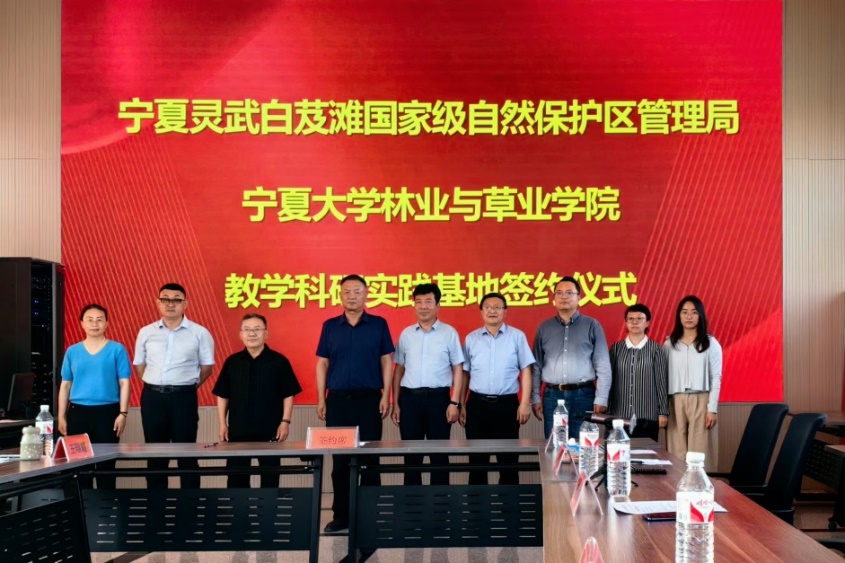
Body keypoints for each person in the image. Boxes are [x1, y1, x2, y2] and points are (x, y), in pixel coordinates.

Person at [316, 274, 394, 534]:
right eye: (347, 291)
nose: (352, 296)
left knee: (370, 460)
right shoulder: (330, 326)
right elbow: (323, 363)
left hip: (369, 400)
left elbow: (386, 361)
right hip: (337, 402)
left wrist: (386, 395)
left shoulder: (378, 324)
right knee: (340, 463)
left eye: (357, 291)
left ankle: (371, 516)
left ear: (366, 294)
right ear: (340, 295)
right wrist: (321, 398)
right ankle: (341, 516)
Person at [134, 283, 215, 489]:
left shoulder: (200, 333)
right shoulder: (146, 332)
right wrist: (157, 384)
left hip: (183, 398)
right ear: (158, 302)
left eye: (176, 299)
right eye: (165, 299)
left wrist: (185, 386)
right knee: (155, 455)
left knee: (186, 454)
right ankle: (157, 503)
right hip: (152, 398)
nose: (170, 304)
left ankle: (190, 503)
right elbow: (140, 367)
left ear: (185, 304)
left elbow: (207, 368)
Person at [213, 313, 301, 488]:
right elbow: (223, 395)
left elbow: (288, 394)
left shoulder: (279, 361)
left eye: (257, 329)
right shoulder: (232, 362)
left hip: (270, 429)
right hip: (238, 429)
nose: (252, 333)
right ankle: (239, 506)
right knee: (236, 477)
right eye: (247, 330)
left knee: (270, 477)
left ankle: (268, 506)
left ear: (266, 334)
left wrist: (285, 422)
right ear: (241, 334)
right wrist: (222, 424)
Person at [391, 283, 464, 486]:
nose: (423, 306)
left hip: (439, 400)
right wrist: (396, 403)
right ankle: (413, 500)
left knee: (439, 455)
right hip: (410, 400)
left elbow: (458, 369)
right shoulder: (406, 334)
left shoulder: (449, 333)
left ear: (438, 305)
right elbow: (398, 370)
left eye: (428, 301)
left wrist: (454, 402)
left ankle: (439, 501)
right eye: (419, 302)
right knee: (411, 455)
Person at [460, 292, 534, 485]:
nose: (492, 311)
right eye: (487, 307)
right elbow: (465, 374)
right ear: (481, 311)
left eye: (497, 307)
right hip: (477, 405)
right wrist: (461, 404)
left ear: (505, 311)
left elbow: (526, 370)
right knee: (477, 462)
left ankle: (509, 504)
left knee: (508, 461)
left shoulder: (517, 337)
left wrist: (524, 403)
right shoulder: (471, 339)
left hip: (507, 406)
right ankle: (477, 503)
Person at [58, 304, 132, 489]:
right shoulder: (72, 351)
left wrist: (123, 413)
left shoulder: (117, 349)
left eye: (99, 320)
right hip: (78, 413)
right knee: (80, 468)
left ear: (106, 323)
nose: (94, 324)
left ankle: (106, 506)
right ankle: (83, 507)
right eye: (89, 320)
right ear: (82, 323)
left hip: (108, 413)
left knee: (106, 467)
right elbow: (65, 385)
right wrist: (61, 416)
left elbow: (125, 383)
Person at [530, 276, 611, 440]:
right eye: (559, 293)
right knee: (555, 444)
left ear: (579, 298)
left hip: (584, 395)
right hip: (552, 395)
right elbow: (536, 366)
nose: (564, 297)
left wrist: (601, 398)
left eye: (569, 293)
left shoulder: (592, 325)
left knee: (584, 443)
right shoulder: (544, 327)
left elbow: (602, 364)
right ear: (554, 299)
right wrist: (535, 397)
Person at [664, 295, 722, 467]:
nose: (688, 316)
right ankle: (677, 484)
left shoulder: (710, 343)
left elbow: (716, 377)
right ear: (679, 316)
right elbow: (662, 378)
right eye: (684, 312)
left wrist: (712, 409)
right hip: (674, 401)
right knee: (676, 453)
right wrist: (662, 409)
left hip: (701, 400)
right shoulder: (669, 345)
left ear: (700, 315)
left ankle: (702, 484)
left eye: (694, 312)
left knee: (700, 454)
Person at [607, 304, 669, 441]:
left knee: (645, 452)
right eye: (630, 319)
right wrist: (608, 409)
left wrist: (663, 412)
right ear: (626, 322)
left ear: (647, 322)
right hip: (618, 415)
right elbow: (610, 381)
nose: (634, 322)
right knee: (616, 451)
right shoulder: (616, 349)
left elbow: (661, 383)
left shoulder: (656, 349)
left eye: (639, 318)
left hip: (647, 416)